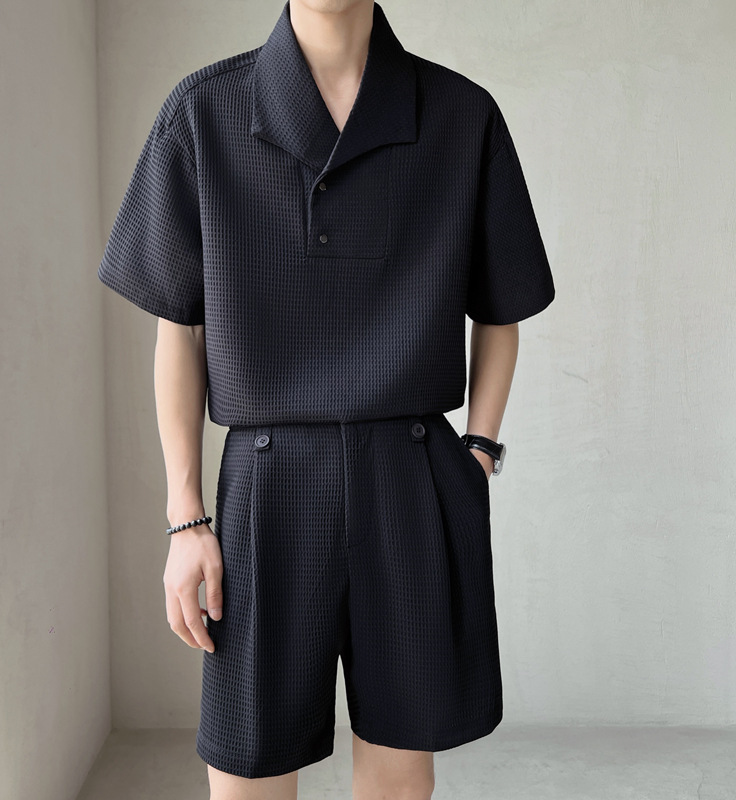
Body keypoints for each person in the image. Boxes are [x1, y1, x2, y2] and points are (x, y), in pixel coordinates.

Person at [97, 0, 556, 797]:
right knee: (246, 765)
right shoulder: (204, 113)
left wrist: (478, 452)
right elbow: (180, 329)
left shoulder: (461, 114)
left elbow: (501, 308)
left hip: (409, 474)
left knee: (401, 764)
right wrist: (185, 518)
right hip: (266, 483)